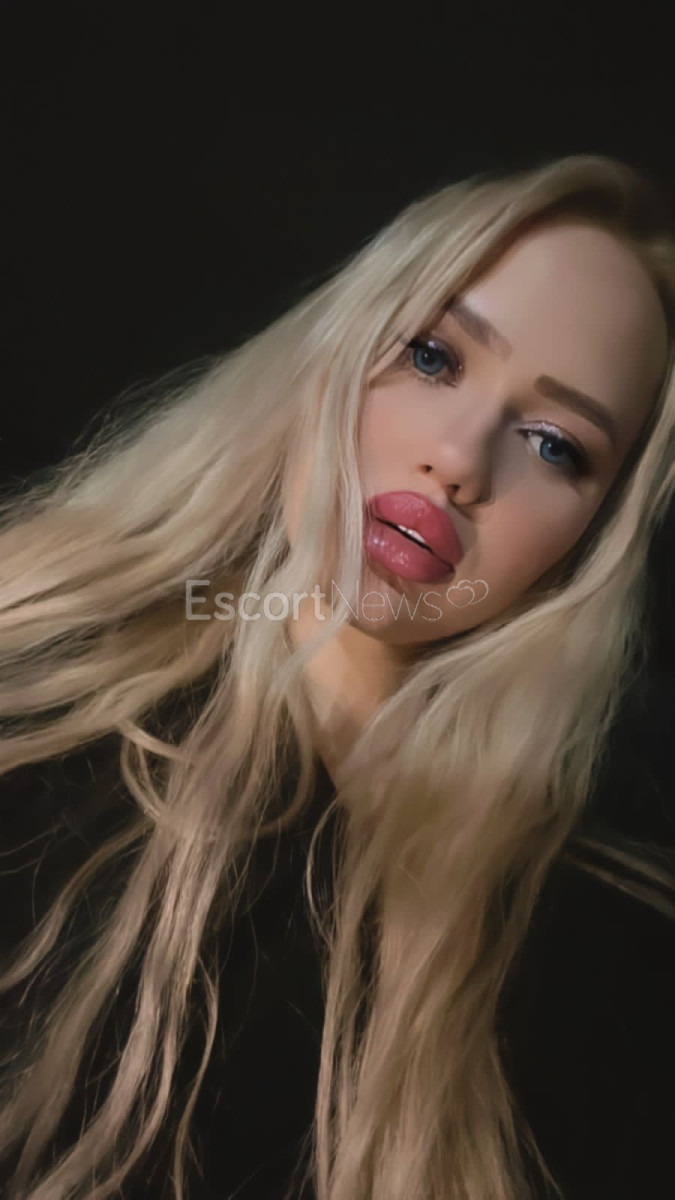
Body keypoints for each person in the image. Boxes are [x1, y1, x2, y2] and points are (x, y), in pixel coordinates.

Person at [0, 153, 674, 1200]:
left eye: (554, 445)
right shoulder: (32, 683)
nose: (460, 460)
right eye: (433, 357)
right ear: (335, 348)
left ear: (592, 539)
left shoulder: (601, 956)